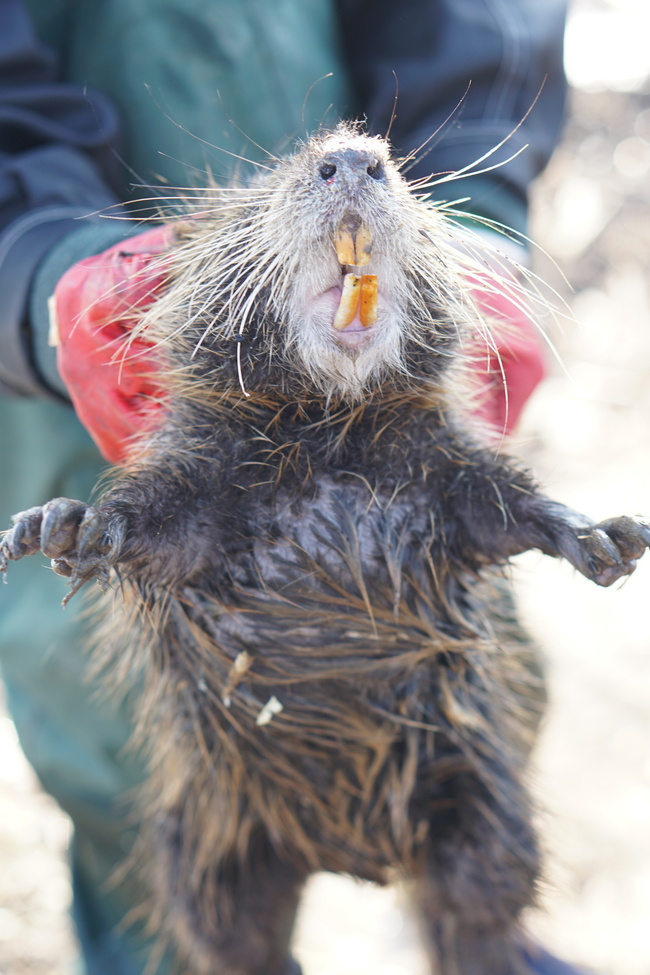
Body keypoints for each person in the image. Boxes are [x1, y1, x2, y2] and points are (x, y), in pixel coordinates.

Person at [0, 1, 569, 972]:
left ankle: (477, 941)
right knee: (127, 765)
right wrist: (38, 269)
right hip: (98, 255)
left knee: (475, 741)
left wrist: (478, 230)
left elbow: (483, 22)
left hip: (392, 236)